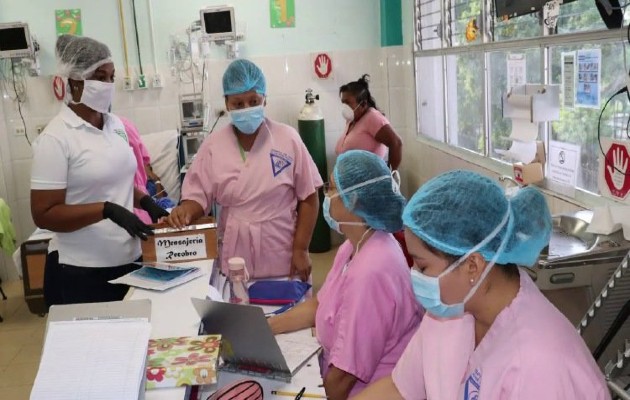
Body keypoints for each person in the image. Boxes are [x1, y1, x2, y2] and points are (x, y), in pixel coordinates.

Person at [354, 170, 610, 400]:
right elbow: (400, 388)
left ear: (472, 266)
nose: (414, 276)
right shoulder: (448, 313)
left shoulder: (539, 365)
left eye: (422, 267)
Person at [269, 150, 422, 399]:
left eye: (331, 189)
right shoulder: (354, 245)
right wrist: (268, 327)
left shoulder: (373, 270)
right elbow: (319, 305)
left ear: (352, 200)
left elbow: (344, 375)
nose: (325, 195)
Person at [30, 35, 169, 307]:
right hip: (82, 271)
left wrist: (146, 202)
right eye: (99, 77)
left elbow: (117, 180)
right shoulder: (56, 139)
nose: (107, 85)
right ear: (74, 81)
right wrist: (107, 210)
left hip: (129, 260)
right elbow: (43, 214)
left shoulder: (115, 125)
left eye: (111, 77)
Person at [165, 59, 322, 281]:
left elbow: (309, 196)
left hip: (282, 249)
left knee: (285, 310)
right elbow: (197, 196)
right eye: (238, 104)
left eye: (253, 101)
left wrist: (301, 249)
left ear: (264, 99)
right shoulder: (213, 146)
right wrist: (185, 211)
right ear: (227, 104)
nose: (246, 109)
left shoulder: (288, 139)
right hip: (236, 253)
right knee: (239, 305)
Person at [335, 75, 403, 170]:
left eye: (348, 103)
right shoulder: (352, 119)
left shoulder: (372, 117)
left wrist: (389, 174)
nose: (344, 107)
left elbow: (396, 143)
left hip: (370, 182)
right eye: (343, 103)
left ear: (363, 104)